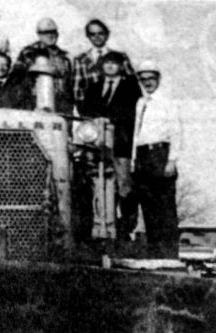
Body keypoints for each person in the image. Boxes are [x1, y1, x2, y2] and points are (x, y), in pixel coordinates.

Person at [79, 51, 142, 243]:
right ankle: (98, 225)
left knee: (123, 185)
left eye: (114, 64)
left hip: (120, 143)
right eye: (107, 64)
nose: (110, 67)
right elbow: (85, 110)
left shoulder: (131, 87)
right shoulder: (94, 87)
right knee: (96, 182)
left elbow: (131, 112)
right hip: (97, 144)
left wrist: (112, 119)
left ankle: (125, 227)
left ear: (121, 66)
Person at [130, 60, 183, 258]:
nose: (147, 83)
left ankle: (169, 254)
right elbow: (136, 133)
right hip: (143, 157)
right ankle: (155, 253)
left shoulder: (168, 102)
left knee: (165, 208)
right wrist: (135, 160)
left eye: (151, 78)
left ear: (158, 79)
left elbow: (176, 132)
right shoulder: (140, 103)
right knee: (148, 207)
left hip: (160, 154)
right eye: (143, 79)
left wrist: (171, 161)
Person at [13, 17, 74, 115]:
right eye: (45, 33)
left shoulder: (64, 57)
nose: (50, 35)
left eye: (53, 32)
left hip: (60, 105)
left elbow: (69, 84)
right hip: (34, 103)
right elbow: (16, 79)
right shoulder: (28, 53)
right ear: (39, 35)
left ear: (57, 34)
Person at [73, 19, 135, 109]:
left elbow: (132, 84)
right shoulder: (81, 60)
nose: (97, 37)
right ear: (88, 36)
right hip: (92, 112)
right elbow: (77, 92)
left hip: (118, 110)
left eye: (100, 33)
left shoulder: (120, 57)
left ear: (107, 34)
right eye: (92, 34)